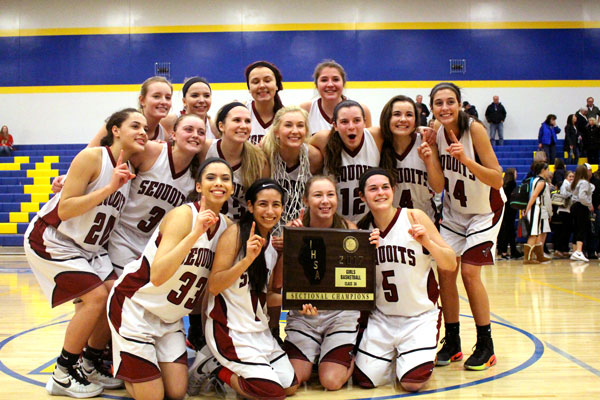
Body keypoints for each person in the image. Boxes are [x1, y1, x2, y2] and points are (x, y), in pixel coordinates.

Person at [24, 108, 145, 398]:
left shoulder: (128, 170)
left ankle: (90, 363)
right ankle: (62, 373)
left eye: (145, 128)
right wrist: (110, 188)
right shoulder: (93, 158)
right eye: (135, 125)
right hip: (54, 239)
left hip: (89, 248)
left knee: (115, 293)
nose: (143, 131)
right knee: (96, 298)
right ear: (115, 130)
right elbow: (65, 209)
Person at [107, 157, 233, 400]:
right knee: (153, 396)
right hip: (135, 306)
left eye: (225, 179)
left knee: (176, 392)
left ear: (232, 188)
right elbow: (158, 275)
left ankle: (138, 364)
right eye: (211, 178)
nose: (218, 183)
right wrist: (196, 232)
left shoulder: (226, 227)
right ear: (198, 187)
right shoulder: (183, 216)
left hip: (170, 317)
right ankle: (124, 365)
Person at [353, 168, 456, 392]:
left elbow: (450, 263)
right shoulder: (361, 231)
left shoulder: (413, 217)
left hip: (419, 318)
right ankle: (396, 356)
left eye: (385, 187)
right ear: (362, 196)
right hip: (383, 319)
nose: (380, 193)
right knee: (364, 381)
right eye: (373, 189)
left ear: (393, 190)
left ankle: (410, 356)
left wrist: (427, 241)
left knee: (411, 382)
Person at [429, 82, 505, 370]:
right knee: (446, 271)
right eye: (439, 103)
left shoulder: (475, 130)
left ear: (460, 104)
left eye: (450, 101)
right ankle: (453, 342)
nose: (445, 107)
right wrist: (429, 158)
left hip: (485, 211)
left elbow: (497, 179)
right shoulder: (435, 133)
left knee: (471, 273)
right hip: (454, 213)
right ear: (432, 107)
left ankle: (486, 345)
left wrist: (466, 160)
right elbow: (437, 185)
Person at [205, 179, 299, 399]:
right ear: (250, 206)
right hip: (230, 330)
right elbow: (214, 286)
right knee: (271, 393)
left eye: (276, 205)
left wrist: (298, 301)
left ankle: (226, 368)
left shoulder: (273, 249)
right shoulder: (235, 234)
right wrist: (246, 261)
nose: (270, 211)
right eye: (263, 204)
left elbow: (267, 298)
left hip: (258, 331)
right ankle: (213, 367)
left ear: (282, 209)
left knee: (290, 386)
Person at [283, 175, 376, 390]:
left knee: (331, 382)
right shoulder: (294, 231)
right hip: (304, 318)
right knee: (296, 378)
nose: (325, 201)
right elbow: (283, 282)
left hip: (339, 316)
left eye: (330, 195)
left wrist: (372, 246)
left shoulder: (351, 231)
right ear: (306, 200)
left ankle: (352, 354)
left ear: (337, 198)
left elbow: (362, 282)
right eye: (318, 195)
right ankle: (318, 355)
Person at [107, 113, 204, 275]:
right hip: (122, 236)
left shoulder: (196, 177)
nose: (195, 135)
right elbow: (111, 153)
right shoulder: (152, 150)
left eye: (201, 132)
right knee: (126, 294)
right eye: (188, 129)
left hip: (154, 244)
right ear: (173, 135)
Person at [52, 77, 173, 193]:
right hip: (99, 184)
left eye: (168, 97)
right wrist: (68, 178)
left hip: (124, 192)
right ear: (142, 100)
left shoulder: (164, 136)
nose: (163, 102)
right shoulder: (119, 122)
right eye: (156, 96)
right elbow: (87, 152)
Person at [310, 100, 383, 222]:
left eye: (357, 120)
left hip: (369, 223)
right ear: (335, 125)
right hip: (335, 223)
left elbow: (401, 131)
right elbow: (299, 148)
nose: (351, 126)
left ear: (365, 122)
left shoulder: (376, 136)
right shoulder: (323, 139)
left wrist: (420, 129)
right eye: (344, 122)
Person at [378, 95, 444, 221]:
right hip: (390, 225)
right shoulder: (379, 144)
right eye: (397, 114)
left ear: (416, 119)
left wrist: (428, 162)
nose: (403, 119)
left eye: (409, 115)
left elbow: (438, 187)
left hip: (425, 223)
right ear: (387, 118)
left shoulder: (427, 141)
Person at [201, 102, 270, 222]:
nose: (243, 126)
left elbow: (262, 201)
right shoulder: (204, 148)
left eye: (247, 121)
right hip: (204, 222)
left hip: (238, 228)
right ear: (221, 126)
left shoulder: (259, 160)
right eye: (237, 120)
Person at [262, 106, 323, 231]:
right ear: (276, 132)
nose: (295, 131)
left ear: (306, 131)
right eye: (288, 125)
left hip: (303, 226)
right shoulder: (264, 156)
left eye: (300, 126)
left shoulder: (314, 157)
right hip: (268, 226)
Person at [300, 60, 372, 135]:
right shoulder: (306, 110)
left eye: (335, 79)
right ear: (316, 85)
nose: (330, 84)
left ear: (343, 83)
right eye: (324, 80)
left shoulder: (361, 110)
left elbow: (367, 143)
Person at [244, 61, 284, 145]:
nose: (262, 85)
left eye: (267, 80)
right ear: (249, 88)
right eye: (255, 82)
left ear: (277, 85)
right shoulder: (241, 112)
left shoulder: (287, 116)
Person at [523, 162, 552, 264]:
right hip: (536, 209)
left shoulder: (533, 180)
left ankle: (539, 256)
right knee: (534, 234)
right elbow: (534, 195)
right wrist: (527, 208)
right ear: (543, 170)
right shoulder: (541, 182)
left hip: (535, 209)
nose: (548, 171)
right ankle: (527, 258)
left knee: (538, 232)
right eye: (547, 169)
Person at [570, 164, 595, 262]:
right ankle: (579, 252)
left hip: (574, 206)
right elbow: (582, 197)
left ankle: (575, 251)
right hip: (581, 206)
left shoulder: (575, 182)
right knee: (581, 228)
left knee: (576, 228)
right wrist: (589, 204)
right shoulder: (584, 182)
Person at [497, 168, 522, 260]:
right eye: (515, 173)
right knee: (509, 231)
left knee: (505, 231)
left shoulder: (503, 185)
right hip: (511, 210)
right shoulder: (513, 185)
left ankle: (505, 250)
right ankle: (509, 251)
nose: (517, 175)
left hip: (503, 210)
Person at [553, 171, 574, 258]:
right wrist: (572, 193)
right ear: (566, 177)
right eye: (570, 176)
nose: (572, 178)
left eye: (573, 176)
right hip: (564, 210)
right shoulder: (565, 184)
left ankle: (564, 249)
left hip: (568, 210)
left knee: (567, 231)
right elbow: (564, 195)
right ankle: (560, 249)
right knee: (563, 231)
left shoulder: (570, 185)